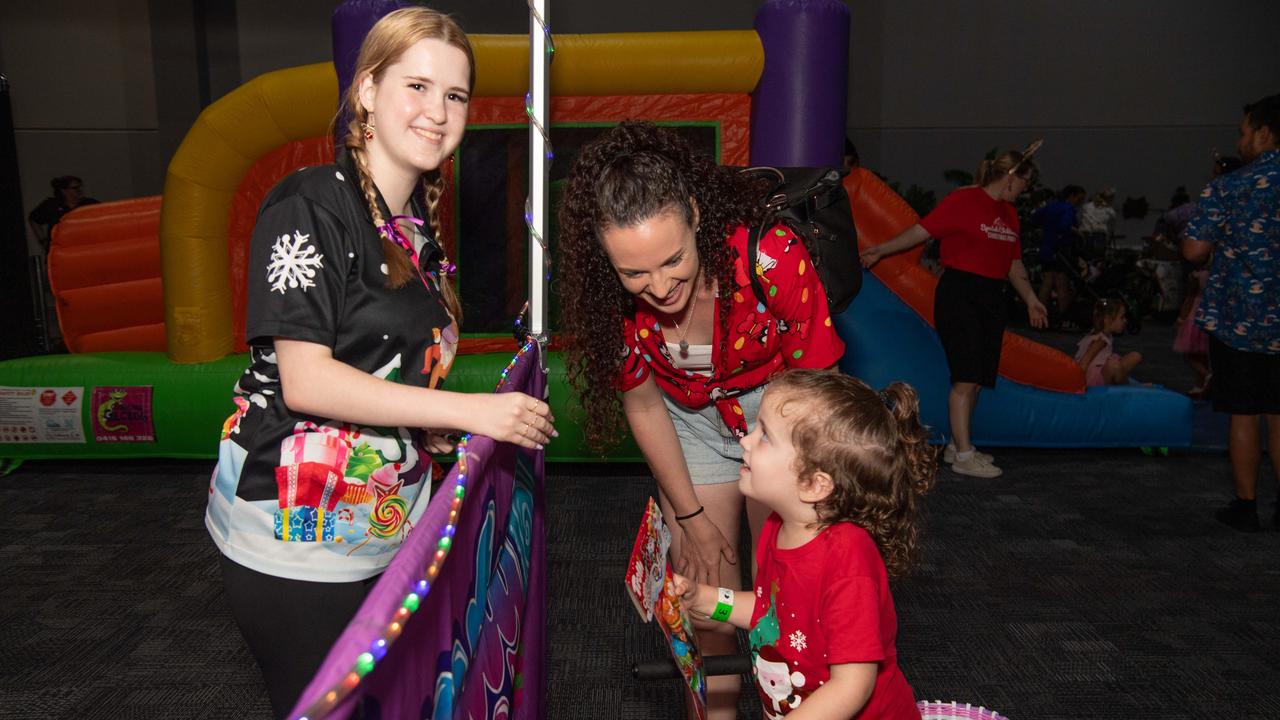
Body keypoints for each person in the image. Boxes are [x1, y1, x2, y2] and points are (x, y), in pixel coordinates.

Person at [203, 9, 556, 717]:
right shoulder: (308, 205)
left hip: (383, 526)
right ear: (366, 90)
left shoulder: (415, 231)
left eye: (454, 96)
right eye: (417, 87)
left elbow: (387, 371)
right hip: (295, 536)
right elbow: (307, 380)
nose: (438, 111)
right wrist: (472, 410)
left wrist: (432, 430)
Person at [556, 120, 846, 718]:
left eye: (673, 260)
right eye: (634, 273)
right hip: (683, 419)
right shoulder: (609, 303)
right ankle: (714, 711)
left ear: (694, 215)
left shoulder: (768, 257)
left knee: (789, 583)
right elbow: (641, 403)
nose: (659, 287)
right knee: (705, 588)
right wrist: (687, 514)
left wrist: (784, 472)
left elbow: (816, 385)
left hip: (782, 408)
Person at [673, 370, 932, 719]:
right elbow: (771, 614)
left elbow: (852, 686)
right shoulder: (778, 527)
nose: (746, 441)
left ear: (814, 485)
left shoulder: (847, 563)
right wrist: (706, 600)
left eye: (765, 436)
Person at [861, 144, 1049, 478]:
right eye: (1024, 182)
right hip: (960, 294)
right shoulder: (964, 201)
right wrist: (881, 250)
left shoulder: (1010, 214)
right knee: (966, 378)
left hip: (992, 297)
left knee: (976, 380)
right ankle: (964, 455)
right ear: (1009, 177)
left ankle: (956, 447)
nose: (1025, 189)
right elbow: (921, 231)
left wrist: (1032, 298)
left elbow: (1014, 263)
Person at [1183, 92, 1280, 532]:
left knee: (1245, 412)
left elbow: (1193, 250)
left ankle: (1246, 506)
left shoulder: (1229, 186)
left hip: (1240, 319)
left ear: (1263, 133)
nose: (1240, 142)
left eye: (1243, 133)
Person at [1033, 184, 1086, 325]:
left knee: (1047, 282)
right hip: (1060, 250)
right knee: (1062, 283)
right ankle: (1064, 318)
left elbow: (1035, 217)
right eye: (1079, 199)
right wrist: (1076, 232)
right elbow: (1064, 226)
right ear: (1072, 196)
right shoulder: (1068, 209)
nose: (1079, 203)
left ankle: (1038, 315)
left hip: (1047, 248)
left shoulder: (1051, 206)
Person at [1074, 297, 1143, 386]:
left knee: (1136, 356)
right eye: (1121, 318)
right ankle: (1129, 388)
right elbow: (1084, 361)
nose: (1125, 321)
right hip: (1093, 379)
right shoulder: (1099, 341)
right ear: (1108, 320)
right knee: (1113, 365)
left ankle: (1118, 377)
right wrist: (1077, 384)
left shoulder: (1106, 334)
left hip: (1102, 368)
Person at [27, 175, 98, 251]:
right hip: (61, 249)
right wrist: (43, 240)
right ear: (63, 191)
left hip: (85, 247)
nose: (79, 190)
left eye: (80, 187)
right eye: (75, 188)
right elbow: (34, 219)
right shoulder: (52, 205)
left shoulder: (89, 204)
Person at [1078, 186, 1117, 256]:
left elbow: (1111, 227)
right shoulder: (1086, 207)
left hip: (1098, 236)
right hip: (1086, 236)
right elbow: (1079, 220)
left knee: (1096, 257)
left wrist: (1107, 239)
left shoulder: (1110, 211)